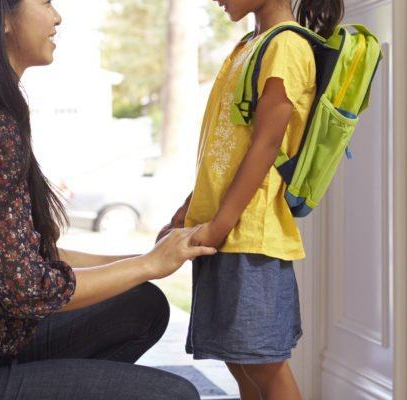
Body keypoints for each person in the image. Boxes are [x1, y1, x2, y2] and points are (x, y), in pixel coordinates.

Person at [0, 1, 217, 399]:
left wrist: (146, 259)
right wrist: (147, 264)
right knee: (175, 396)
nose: (57, 17)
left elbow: (33, 255)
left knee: (142, 305)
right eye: (45, 2)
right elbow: (31, 290)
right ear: (1, 18)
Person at [158, 0, 342, 399]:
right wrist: (189, 209)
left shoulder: (287, 46)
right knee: (241, 362)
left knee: (264, 366)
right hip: (225, 230)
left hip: (249, 234)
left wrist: (219, 225)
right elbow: (227, 147)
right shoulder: (249, 45)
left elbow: (266, 145)